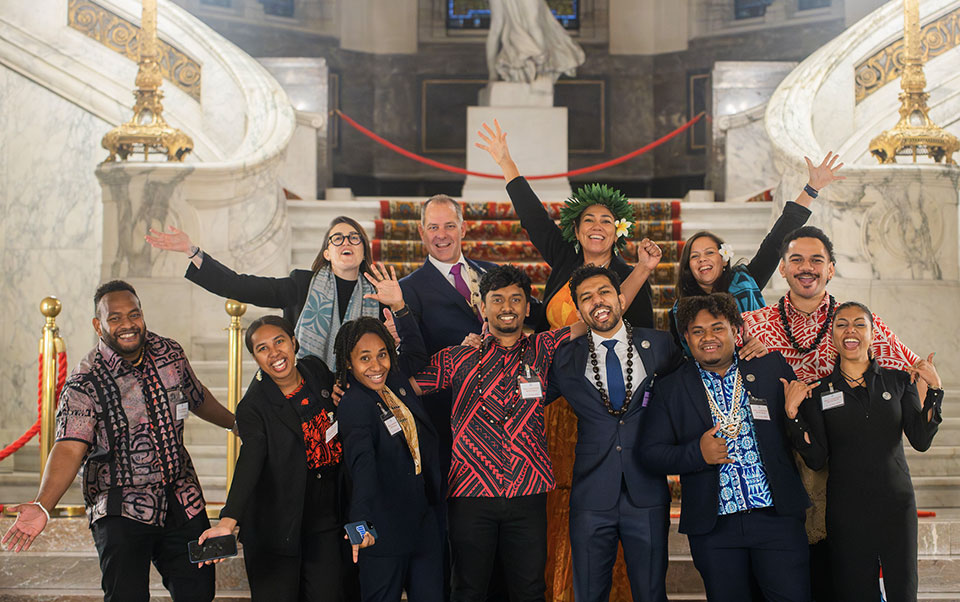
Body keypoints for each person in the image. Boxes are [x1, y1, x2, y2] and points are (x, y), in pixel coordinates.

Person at [477, 119, 660, 601]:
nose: (596, 228)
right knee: (559, 507)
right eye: (588, 221)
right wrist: (506, 164)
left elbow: (643, 341)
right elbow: (533, 215)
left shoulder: (632, 278)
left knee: (608, 507)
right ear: (576, 230)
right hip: (555, 406)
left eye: (605, 221)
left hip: (609, 413)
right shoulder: (562, 259)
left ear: (616, 230)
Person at [2, 280, 236, 602]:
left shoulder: (169, 352)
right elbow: (69, 446)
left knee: (198, 591)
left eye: (134, 314)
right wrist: (44, 503)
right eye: (115, 318)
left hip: (182, 495)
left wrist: (235, 424)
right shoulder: (84, 382)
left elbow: (197, 397)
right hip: (120, 505)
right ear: (98, 325)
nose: (127, 324)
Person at [742, 225, 922, 602]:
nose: (806, 267)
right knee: (778, 568)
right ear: (782, 268)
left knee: (835, 572)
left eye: (816, 260)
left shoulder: (853, 322)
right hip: (776, 454)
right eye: (796, 260)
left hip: (835, 461)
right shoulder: (754, 325)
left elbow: (912, 371)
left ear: (830, 269)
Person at [412, 264, 589, 602]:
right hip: (470, 493)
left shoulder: (544, 347)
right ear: (482, 307)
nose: (507, 307)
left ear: (526, 307)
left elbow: (595, 321)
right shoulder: (456, 357)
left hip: (529, 491)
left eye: (515, 299)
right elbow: (406, 389)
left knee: (530, 590)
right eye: (497, 299)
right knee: (467, 590)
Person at [638, 293, 817, 602]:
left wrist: (794, 414)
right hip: (715, 528)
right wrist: (697, 453)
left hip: (777, 518)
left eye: (718, 328)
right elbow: (650, 453)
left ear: (737, 330)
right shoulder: (671, 388)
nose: (708, 337)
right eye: (697, 331)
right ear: (686, 339)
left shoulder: (771, 368)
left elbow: (805, 435)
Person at [545, 265, 683, 602]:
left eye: (604, 292)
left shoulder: (661, 346)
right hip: (591, 496)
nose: (598, 302)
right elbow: (521, 394)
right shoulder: (563, 359)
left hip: (647, 493)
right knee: (589, 594)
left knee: (651, 593)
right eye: (586, 298)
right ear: (578, 310)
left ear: (621, 297)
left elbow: (697, 383)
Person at [790, 301, 943, 602]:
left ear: (873, 334)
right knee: (857, 593)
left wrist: (935, 390)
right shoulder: (819, 391)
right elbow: (817, 458)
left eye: (859, 324)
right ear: (832, 336)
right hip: (847, 511)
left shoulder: (899, 381)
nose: (851, 330)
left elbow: (921, 440)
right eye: (842, 324)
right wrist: (793, 414)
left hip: (896, 507)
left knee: (903, 592)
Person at [146, 216, 388, 368]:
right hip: (306, 389)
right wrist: (192, 251)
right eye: (337, 238)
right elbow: (239, 285)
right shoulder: (301, 285)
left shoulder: (380, 295)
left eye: (354, 238)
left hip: (360, 391)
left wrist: (398, 308)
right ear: (326, 253)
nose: (346, 242)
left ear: (364, 251)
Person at [670, 153, 846, 355]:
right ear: (688, 267)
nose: (702, 259)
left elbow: (778, 238)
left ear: (724, 259)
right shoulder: (680, 308)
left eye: (709, 252)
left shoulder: (746, 281)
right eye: (694, 256)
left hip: (757, 366)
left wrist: (811, 189)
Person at [335, 310, 442, 602]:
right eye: (364, 357)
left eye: (382, 354)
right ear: (348, 362)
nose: (376, 365)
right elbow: (362, 465)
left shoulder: (394, 380)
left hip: (423, 522)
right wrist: (360, 522)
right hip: (382, 529)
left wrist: (402, 310)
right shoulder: (354, 403)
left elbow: (417, 352)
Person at [486, 0, 585, 83]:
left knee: (532, 23)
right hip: (520, 41)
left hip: (534, 50)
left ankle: (540, 67)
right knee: (497, 26)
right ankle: (493, 74)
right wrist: (492, 74)